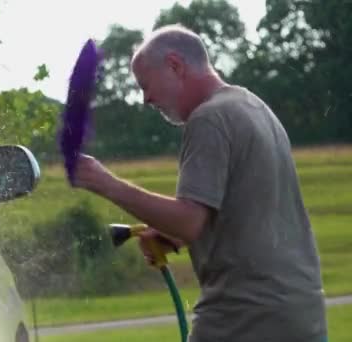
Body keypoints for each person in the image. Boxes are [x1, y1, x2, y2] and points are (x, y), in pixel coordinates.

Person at [71, 24, 327, 342]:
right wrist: (173, 236)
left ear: (175, 66)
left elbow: (189, 221)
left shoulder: (209, 118)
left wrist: (105, 183)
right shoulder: (255, 109)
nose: (146, 99)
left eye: (145, 85)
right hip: (302, 317)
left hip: (245, 318)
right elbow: (244, 213)